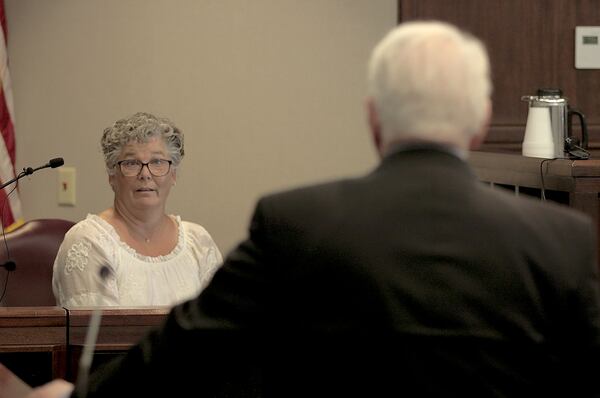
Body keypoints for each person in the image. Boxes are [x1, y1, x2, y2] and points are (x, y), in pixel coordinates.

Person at [31, 20, 600, 398]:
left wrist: (79, 394)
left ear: (373, 119)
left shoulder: (298, 224)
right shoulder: (565, 241)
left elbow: (193, 347)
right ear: (480, 122)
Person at [51, 112, 223, 307]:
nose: (145, 174)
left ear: (173, 174)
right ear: (112, 176)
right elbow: (99, 335)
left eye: (157, 162)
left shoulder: (199, 243)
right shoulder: (89, 241)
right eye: (131, 163)